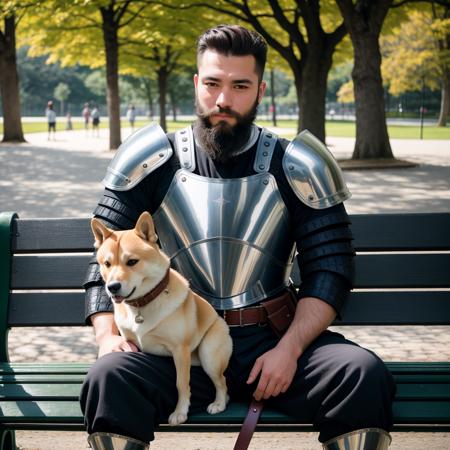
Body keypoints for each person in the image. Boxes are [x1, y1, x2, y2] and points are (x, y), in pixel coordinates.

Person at [80, 25, 395, 450]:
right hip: (174, 340)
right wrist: (107, 337)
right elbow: (101, 257)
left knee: (360, 374)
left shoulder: (296, 164)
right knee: (108, 378)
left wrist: (290, 349)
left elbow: (330, 267)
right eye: (212, 84)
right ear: (197, 83)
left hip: (272, 339)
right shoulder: (151, 161)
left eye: (239, 86)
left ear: (260, 90)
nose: (224, 100)